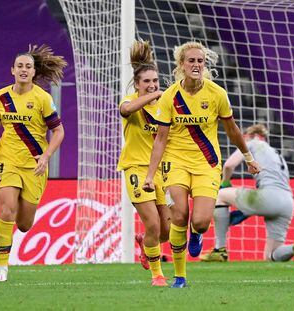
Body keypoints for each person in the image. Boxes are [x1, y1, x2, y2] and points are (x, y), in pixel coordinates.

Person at [142, 41, 260, 288]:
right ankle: (180, 276)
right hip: (176, 163)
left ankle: (196, 233)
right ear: (181, 65)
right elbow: (161, 139)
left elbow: (233, 130)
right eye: (191, 61)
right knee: (179, 215)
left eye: (200, 61)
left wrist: (248, 158)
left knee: (201, 222)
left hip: (207, 164)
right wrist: (150, 175)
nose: (196, 65)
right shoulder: (170, 96)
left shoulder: (217, 94)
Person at [0, 44, 66, 281]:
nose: (23, 70)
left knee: (23, 224)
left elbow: (59, 132)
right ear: (12, 70)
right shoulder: (1, 96)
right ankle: (2, 269)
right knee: (6, 210)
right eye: (19, 66)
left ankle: (10, 249)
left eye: (28, 67)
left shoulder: (43, 98)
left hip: (34, 165)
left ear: (34, 72)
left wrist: (46, 156)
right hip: (7, 160)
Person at [199, 124, 294, 263]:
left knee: (220, 195)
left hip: (268, 196)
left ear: (248, 136)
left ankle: (219, 250)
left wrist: (225, 183)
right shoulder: (275, 152)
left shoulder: (251, 143)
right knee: (271, 256)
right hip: (288, 202)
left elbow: (228, 165)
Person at [117, 40, 170, 286]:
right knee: (153, 223)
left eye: (155, 81)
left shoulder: (164, 107)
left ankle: (144, 243)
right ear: (137, 84)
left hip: (161, 171)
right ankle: (157, 275)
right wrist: (154, 95)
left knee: (165, 232)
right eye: (146, 82)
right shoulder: (129, 102)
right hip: (136, 170)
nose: (152, 85)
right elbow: (126, 110)